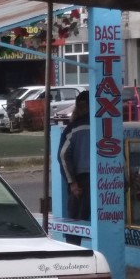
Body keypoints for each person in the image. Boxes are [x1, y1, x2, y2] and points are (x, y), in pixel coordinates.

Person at [58, 90, 91, 244]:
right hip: (101, 179)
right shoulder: (104, 127)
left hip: (80, 183)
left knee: (75, 225)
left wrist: (72, 183)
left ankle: (74, 257)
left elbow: (63, 156)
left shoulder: (72, 129)